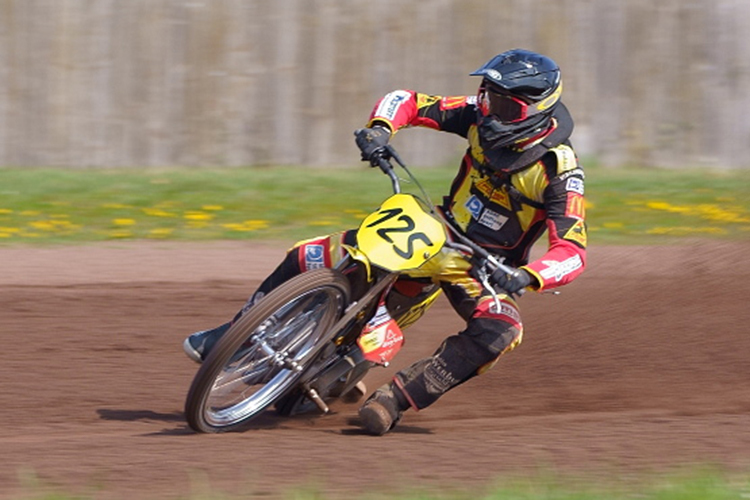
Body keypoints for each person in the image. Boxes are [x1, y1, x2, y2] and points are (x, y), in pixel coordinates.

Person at [183, 48, 587, 436]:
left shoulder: (559, 172)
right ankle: (232, 333)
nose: (489, 110)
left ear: (534, 113)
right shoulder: (477, 114)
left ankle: (395, 399)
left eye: (503, 106)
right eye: (487, 96)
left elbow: (572, 252)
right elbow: (406, 100)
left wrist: (528, 277)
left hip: (484, 267)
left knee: (502, 331)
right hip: (435, 228)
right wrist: (379, 130)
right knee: (312, 253)